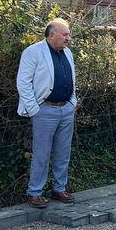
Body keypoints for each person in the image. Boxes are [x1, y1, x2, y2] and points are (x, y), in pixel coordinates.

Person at [16, 18, 77, 208]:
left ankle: (59, 189)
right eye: (65, 34)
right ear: (52, 35)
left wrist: (72, 102)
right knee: (42, 153)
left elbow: (71, 78)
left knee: (63, 152)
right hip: (45, 109)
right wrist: (35, 108)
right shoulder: (33, 52)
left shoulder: (67, 53)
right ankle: (34, 192)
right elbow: (23, 82)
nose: (68, 38)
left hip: (66, 108)